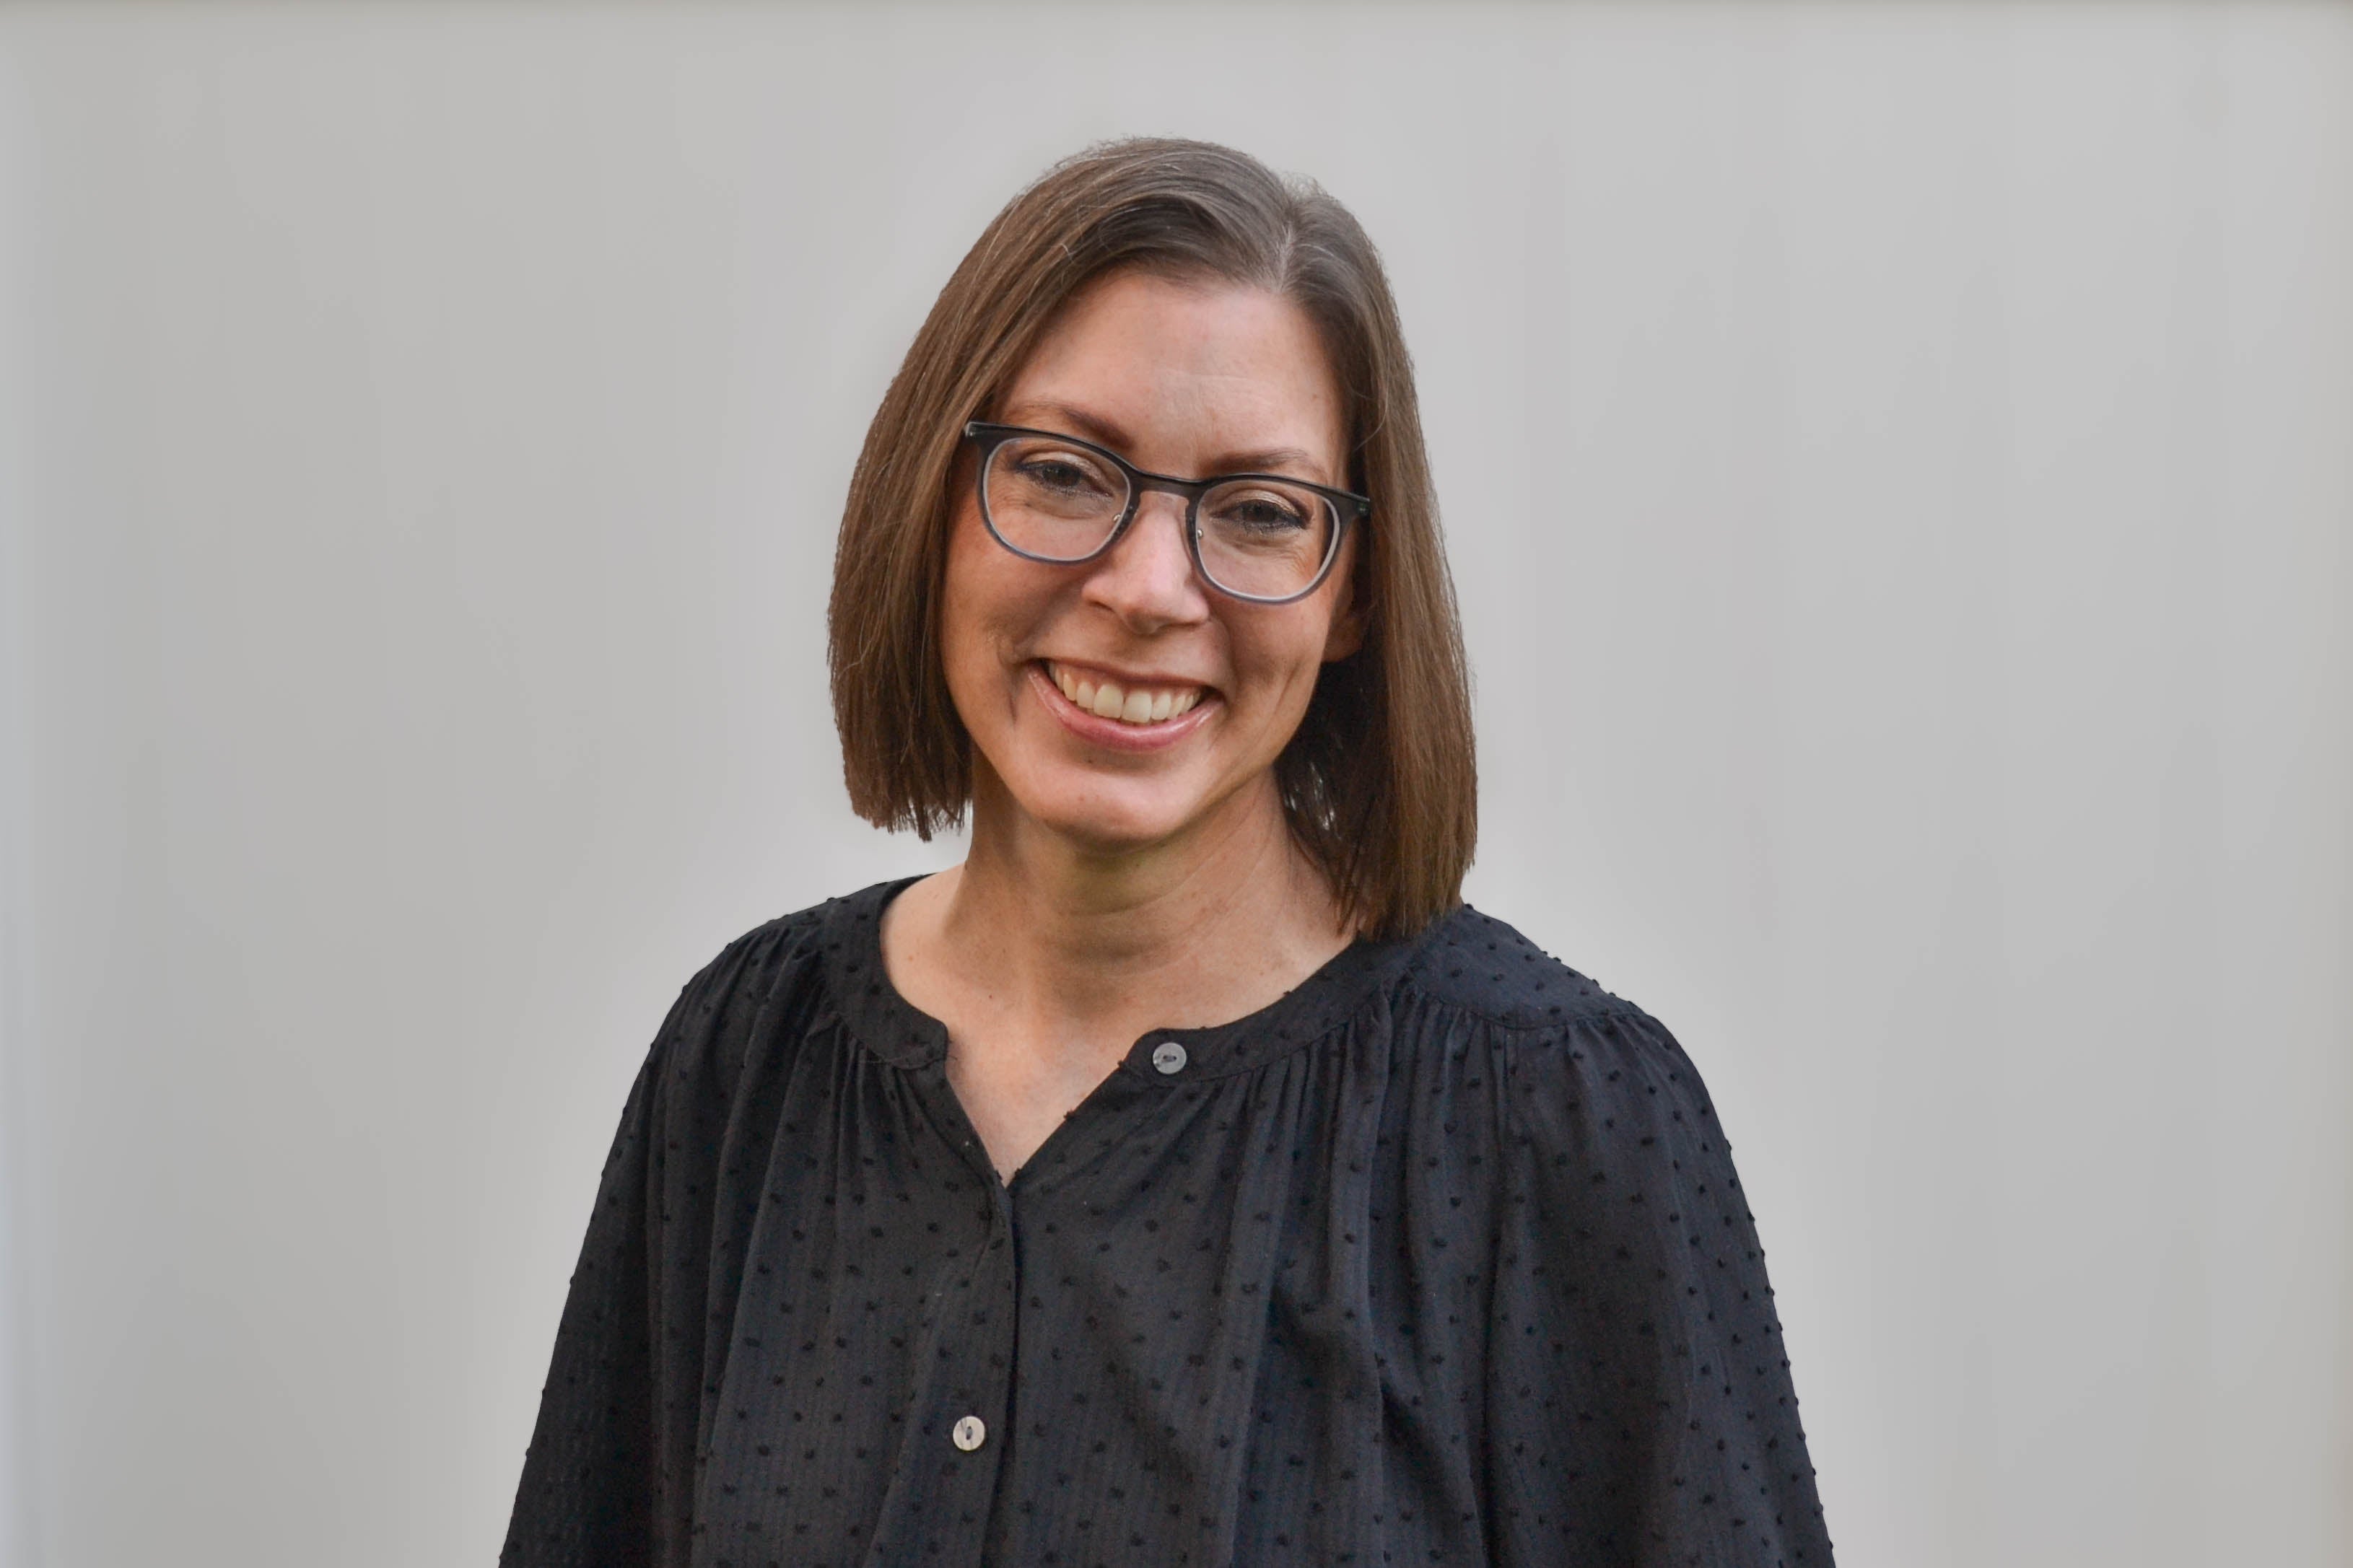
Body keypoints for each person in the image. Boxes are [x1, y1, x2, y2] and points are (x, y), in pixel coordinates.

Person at [502, 137, 1833, 1568]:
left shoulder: (1558, 1125)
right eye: (1068, 473)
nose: (1146, 588)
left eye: (1259, 512)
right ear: (931, 503)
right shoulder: (747, 1063)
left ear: (1355, 599)